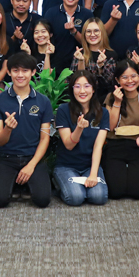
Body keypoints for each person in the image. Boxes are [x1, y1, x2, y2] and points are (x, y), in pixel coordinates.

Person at [0, 52, 53, 208]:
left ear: (33, 72)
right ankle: (17, 183)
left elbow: (45, 138)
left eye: (25, 70)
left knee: (43, 200)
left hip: (33, 157)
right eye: (16, 70)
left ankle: (25, 182)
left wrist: (31, 165)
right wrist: (8, 129)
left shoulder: (43, 101)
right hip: (7, 158)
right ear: (9, 72)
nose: (20, 75)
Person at [102, 59, 139, 199]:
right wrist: (117, 102)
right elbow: (110, 127)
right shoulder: (111, 98)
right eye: (124, 77)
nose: (130, 81)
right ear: (117, 80)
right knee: (115, 192)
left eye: (133, 76)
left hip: (138, 146)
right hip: (115, 145)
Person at [53, 71, 109, 205]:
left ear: (93, 89)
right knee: (76, 197)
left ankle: (77, 184)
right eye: (77, 86)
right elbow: (69, 145)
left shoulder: (103, 113)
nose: (82, 91)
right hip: (66, 165)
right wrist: (79, 128)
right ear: (72, 89)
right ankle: (60, 183)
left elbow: (98, 146)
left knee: (98, 197)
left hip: (89, 166)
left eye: (87, 86)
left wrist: (93, 174)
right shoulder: (63, 110)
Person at [42, 0, 87, 73]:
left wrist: (74, 31)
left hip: (79, 63)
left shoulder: (87, 14)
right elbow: (45, 39)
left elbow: (88, 43)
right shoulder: (51, 13)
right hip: (55, 64)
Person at [72, 18, 118, 89]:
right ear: (84, 34)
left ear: (102, 33)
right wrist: (81, 62)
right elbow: (74, 82)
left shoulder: (111, 55)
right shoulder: (79, 54)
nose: (92, 34)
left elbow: (109, 84)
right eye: (88, 31)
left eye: (96, 31)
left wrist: (100, 68)